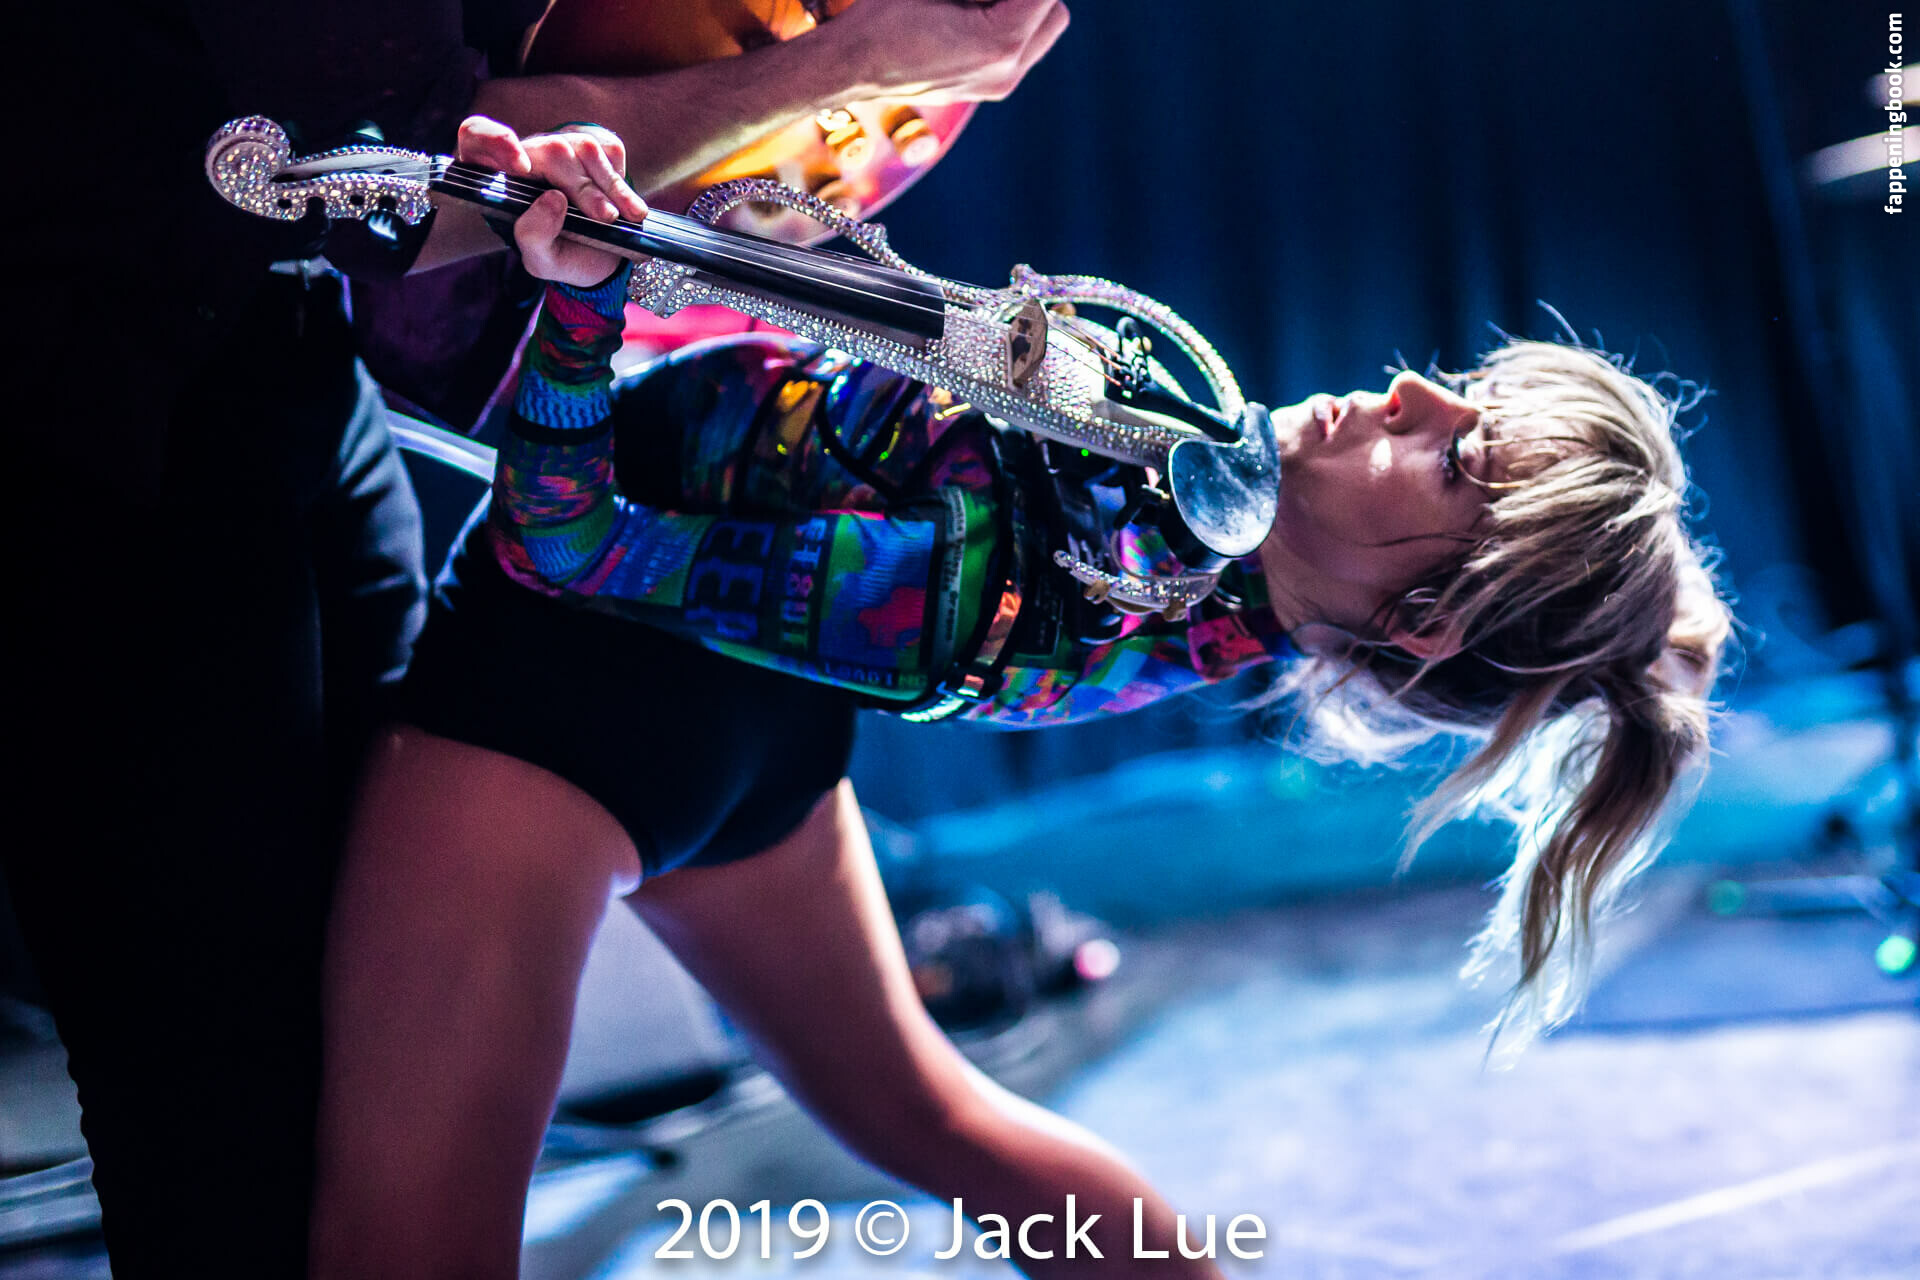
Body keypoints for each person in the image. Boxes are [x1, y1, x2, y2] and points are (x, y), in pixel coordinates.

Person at [310, 116, 1733, 1278]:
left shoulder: (997, 600)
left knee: (407, 1256)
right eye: (1466, 391)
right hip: (758, 744)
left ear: (1424, 623)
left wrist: (577, 311)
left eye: (1456, 460)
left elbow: (563, 548)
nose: (1414, 389)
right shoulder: (1194, 506)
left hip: (557, 724)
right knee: (939, 1122)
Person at [8, 3, 1066, 1275]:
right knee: (219, 1110)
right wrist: (849, 65)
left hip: (290, 365)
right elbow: (411, 188)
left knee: (342, 1102)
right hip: (93, 433)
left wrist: (833, 83)